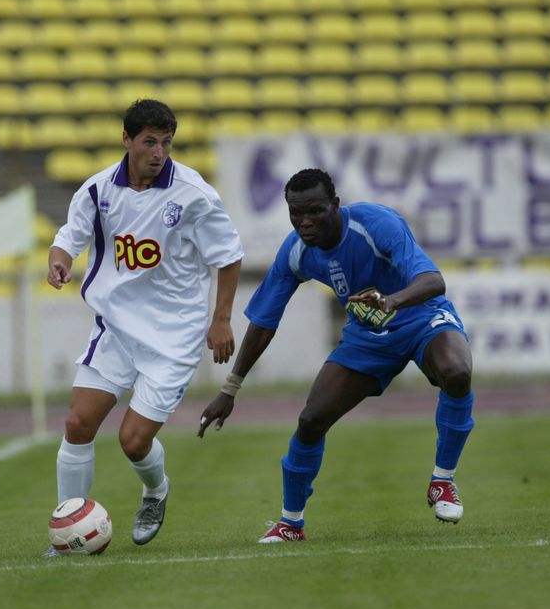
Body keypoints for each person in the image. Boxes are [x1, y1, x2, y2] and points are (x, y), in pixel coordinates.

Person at [197, 168, 474, 543]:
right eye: (296, 213)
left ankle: (442, 481)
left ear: (336, 205)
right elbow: (264, 321)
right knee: (311, 419)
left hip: (422, 317)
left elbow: (433, 281)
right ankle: (291, 524)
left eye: (315, 211)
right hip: (368, 337)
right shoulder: (296, 251)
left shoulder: (376, 223)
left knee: (456, 371)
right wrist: (230, 388)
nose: (305, 222)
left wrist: (391, 301)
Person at [45, 98, 243, 555]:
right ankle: (66, 532)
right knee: (78, 423)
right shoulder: (97, 190)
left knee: (132, 441)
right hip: (116, 328)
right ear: (127, 140)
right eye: (150, 142)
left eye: (166, 143)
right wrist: (59, 261)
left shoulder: (193, 193)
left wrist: (221, 319)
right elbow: (69, 236)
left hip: (173, 337)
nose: (159, 152)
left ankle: (155, 491)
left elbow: (229, 256)